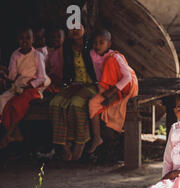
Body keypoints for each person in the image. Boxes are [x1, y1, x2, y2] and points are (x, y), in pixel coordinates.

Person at [48, 23, 98, 161]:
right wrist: (69, 86)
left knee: (76, 104)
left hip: (92, 86)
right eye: (71, 27)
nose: (75, 30)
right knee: (55, 103)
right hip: (74, 85)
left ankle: (79, 144)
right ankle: (63, 145)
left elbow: (97, 73)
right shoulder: (67, 47)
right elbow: (67, 73)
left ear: (85, 28)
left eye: (78, 26)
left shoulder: (91, 45)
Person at [87, 29, 138, 153]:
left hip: (127, 86)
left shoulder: (115, 56)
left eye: (101, 42)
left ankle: (115, 97)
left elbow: (127, 77)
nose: (97, 46)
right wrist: (103, 91)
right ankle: (97, 137)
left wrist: (112, 92)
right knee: (93, 103)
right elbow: (100, 76)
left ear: (109, 44)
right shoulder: (92, 55)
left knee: (109, 61)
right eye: (95, 43)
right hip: (108, 86)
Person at [0, 27, 50, 148]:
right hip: (19, 85)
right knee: (2, 99)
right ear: (18, 40)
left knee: (17, 102)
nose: (25, 41)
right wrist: (5, 74)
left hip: (34, 87)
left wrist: (30, 86)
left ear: (33, 40)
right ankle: (17, 134)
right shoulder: (15, 55)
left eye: (28, 38)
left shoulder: (37, 55)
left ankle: (8, 135)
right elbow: (12, 76)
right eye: (21, 38)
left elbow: (42, 77)